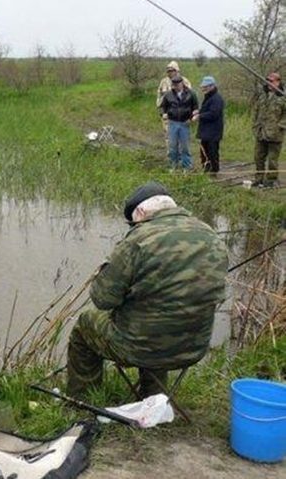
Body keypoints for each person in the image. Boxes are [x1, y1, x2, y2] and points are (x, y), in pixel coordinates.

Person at [66, 181, 228, 399]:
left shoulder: (137, 241)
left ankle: (83, 401)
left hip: (141, 348)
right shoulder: (211, 236)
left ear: (141, 212)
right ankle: (153, 398)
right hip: (193, 348)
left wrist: (104, 273)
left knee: (85, 324)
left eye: (133, 223)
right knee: (157, 317)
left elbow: (102, 300)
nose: (134, 228)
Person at [252, 72, 286, 188]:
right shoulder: (263, 94)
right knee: (258, 157)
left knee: (272, 160)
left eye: (271, 81)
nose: (269, 83)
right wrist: (255, 124)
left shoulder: (283, 96)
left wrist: (280, 126)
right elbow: (256, 110)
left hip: (275, 134)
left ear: (278, 81)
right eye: (267, 80)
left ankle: (271, 180)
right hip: (261, 132)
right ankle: (259, 179)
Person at [159, 75, 199, 171]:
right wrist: (164, 114)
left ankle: (187, 166)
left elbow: (195, 107)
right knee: (172, 145)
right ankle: (173, 165)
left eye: (177, 84)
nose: (176, 86)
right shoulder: (168, 95)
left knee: (185, 146)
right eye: (174, 84)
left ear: (182, 83)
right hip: (172, 123)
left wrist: (193, 117)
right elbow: (163, 107)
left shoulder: (191, 94)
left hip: (185, 123)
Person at [156, 61, 192, 146]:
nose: (169, 72)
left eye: (171, 70)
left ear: (176, 71)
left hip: (181, 115)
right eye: (168, 70)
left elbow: (190, 97)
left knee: (181, 136)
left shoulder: (185, 81)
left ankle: (180, 155)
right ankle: (171, 155)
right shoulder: (164, 82)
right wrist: (161, 108)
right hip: (168, 113)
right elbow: (159, 96)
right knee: (168, 135)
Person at [195, 76, 225, 174]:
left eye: (205, 87)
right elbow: (206, 110)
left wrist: (199, 116)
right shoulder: (208, 97)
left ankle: (214, 171)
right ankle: (206, 168)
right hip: (206, 131)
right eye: (203, 87)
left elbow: (213, 114)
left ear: (212, 86)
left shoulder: (216, 98)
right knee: (204, 151)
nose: (203, 89)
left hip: (213, 132)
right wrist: (198, 112)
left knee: (212, 152)